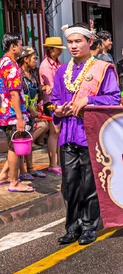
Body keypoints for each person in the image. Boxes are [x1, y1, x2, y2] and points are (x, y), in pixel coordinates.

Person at [52, 23, 120, 245]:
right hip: (68, 134)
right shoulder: (62, 71)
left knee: (90, 183)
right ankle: (72, 226)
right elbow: (54, 100)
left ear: (90, 42)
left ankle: (90, 226)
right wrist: (57, 109)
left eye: (77, 41)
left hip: (91, 134)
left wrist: (88, 100)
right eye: (70, 42)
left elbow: (114, 99)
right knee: (70, 184)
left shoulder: (102, 69)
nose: (72, 46)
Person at [0, 34, 31, 192]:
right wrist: (19, 117)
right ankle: (14, 181)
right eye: (20, 44)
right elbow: (13, 93)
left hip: (4, 112)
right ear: (12, 47)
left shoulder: (2, 62)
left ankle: (4, 175)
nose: (21, 47)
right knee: (15, 147)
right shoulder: (11, 66)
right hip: (12, 113)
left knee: (13, 145)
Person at [19, 46, 49, 179]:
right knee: (20, 144)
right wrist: (30, 110)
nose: (36, 61)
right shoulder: (18, 76)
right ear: (25, 59)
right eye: (34, 58)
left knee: (29, 141)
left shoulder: (32, 75)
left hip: (31, 115)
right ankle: (22, 171)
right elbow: (18, 97)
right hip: (21, 115)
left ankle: (30, 168)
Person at [39, 37, 65, 175]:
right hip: (51, 102)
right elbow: (53, 85)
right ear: (51, 49)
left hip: (58, 100)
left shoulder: (57, 63)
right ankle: (53, 163)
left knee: (58, 132)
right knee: (54, 132)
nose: (60, 51)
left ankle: (59, 162)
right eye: (58, 48)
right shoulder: (46, 65)